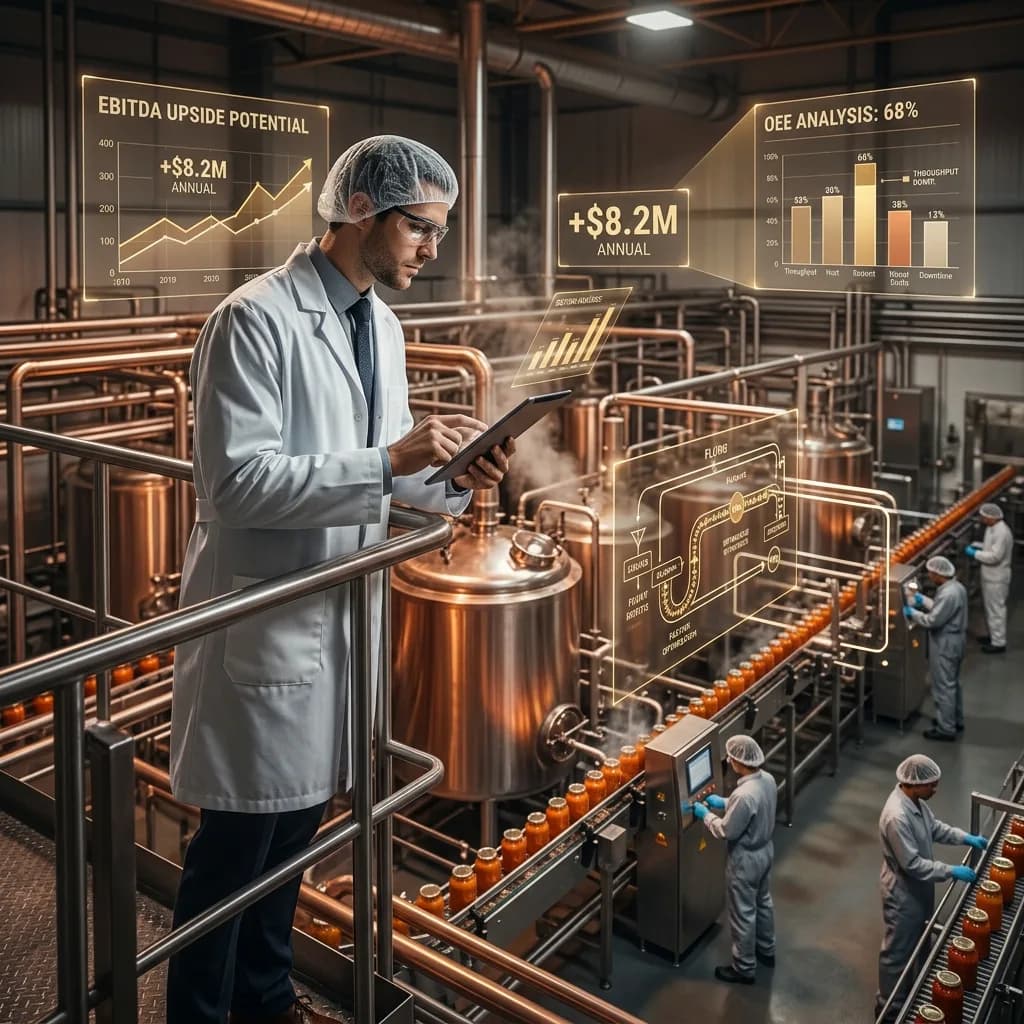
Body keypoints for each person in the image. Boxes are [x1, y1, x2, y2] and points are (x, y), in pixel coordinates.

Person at [167, 136, 515, 1024]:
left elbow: (383, 476)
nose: (433, 249)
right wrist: (384, 460)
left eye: (439, 230)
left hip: (340, 625)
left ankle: (267, 999)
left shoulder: (382, 325)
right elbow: (235, 482)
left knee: (295, 843)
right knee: (232, 859)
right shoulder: (254, 320)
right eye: (421, 228)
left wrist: (450, 473)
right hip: (266, 631)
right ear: (359, 209)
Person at [875, 754, 985, 1021]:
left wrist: (965, 837)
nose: (935, 789)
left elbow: (934, 828)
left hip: (920, 887)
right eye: (931, 785)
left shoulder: (915, 802)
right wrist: (951, 871)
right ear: (913, 783)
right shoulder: (896, 817)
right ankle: (889, 1010)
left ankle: (916, 996)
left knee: (921, 940)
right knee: (897, 952)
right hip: (903, 891)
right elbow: (912, 864)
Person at [692, 734, 777, 984]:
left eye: (731, 757)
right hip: (765, 851)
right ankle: (767, 950)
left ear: (738, 761)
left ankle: (744, 967)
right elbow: (750, 804)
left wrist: (705, 814)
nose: (729, 760)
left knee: (743, 913)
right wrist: (724, 802)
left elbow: (726, 831)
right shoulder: (767, 780)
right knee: (763, 902)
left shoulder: (744, 794)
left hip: (745, 860)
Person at [903, 555, 968, 742]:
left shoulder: (948, 594)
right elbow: (941, 608)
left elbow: (933, 620)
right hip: (956, 641)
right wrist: (921, 599)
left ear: (939, 574)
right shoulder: (956, 587)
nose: (929, 576)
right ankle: (955, 719)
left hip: (945, 644)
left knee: (943, 686)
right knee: (953, 683)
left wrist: (912, 613)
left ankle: (946, 729)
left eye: (931, 573)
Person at [965, 501, 1013, 654]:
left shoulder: (1001, 532)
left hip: (997, 578)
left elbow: (995, 556)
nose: (982, 520)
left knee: (996, 609)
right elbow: (990, 547)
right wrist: (978, 546)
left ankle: (999, 643)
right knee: (989, 609)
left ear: (992, 517)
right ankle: (993, 636)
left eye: (984, 517)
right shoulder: (992, 528)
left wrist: (975, 554)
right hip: (989, 576)